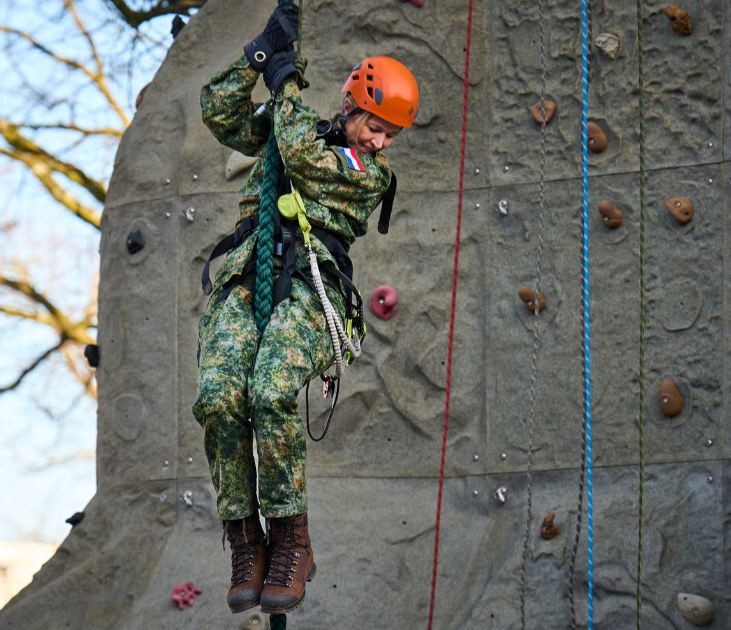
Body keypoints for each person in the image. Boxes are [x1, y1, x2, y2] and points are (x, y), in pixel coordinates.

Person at [195, 2, 419, 615]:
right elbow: (220, 113)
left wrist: (287, 79)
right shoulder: (294, 126)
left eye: (389, 135)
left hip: (314, 289)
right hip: (249, 274)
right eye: (375, 124)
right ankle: (244, 536)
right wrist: (259, 57)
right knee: (218, 397)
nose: (380, 141)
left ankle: (292, 538)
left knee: (270, 388)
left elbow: (297, 153)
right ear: (351, 105)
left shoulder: (365, 172)